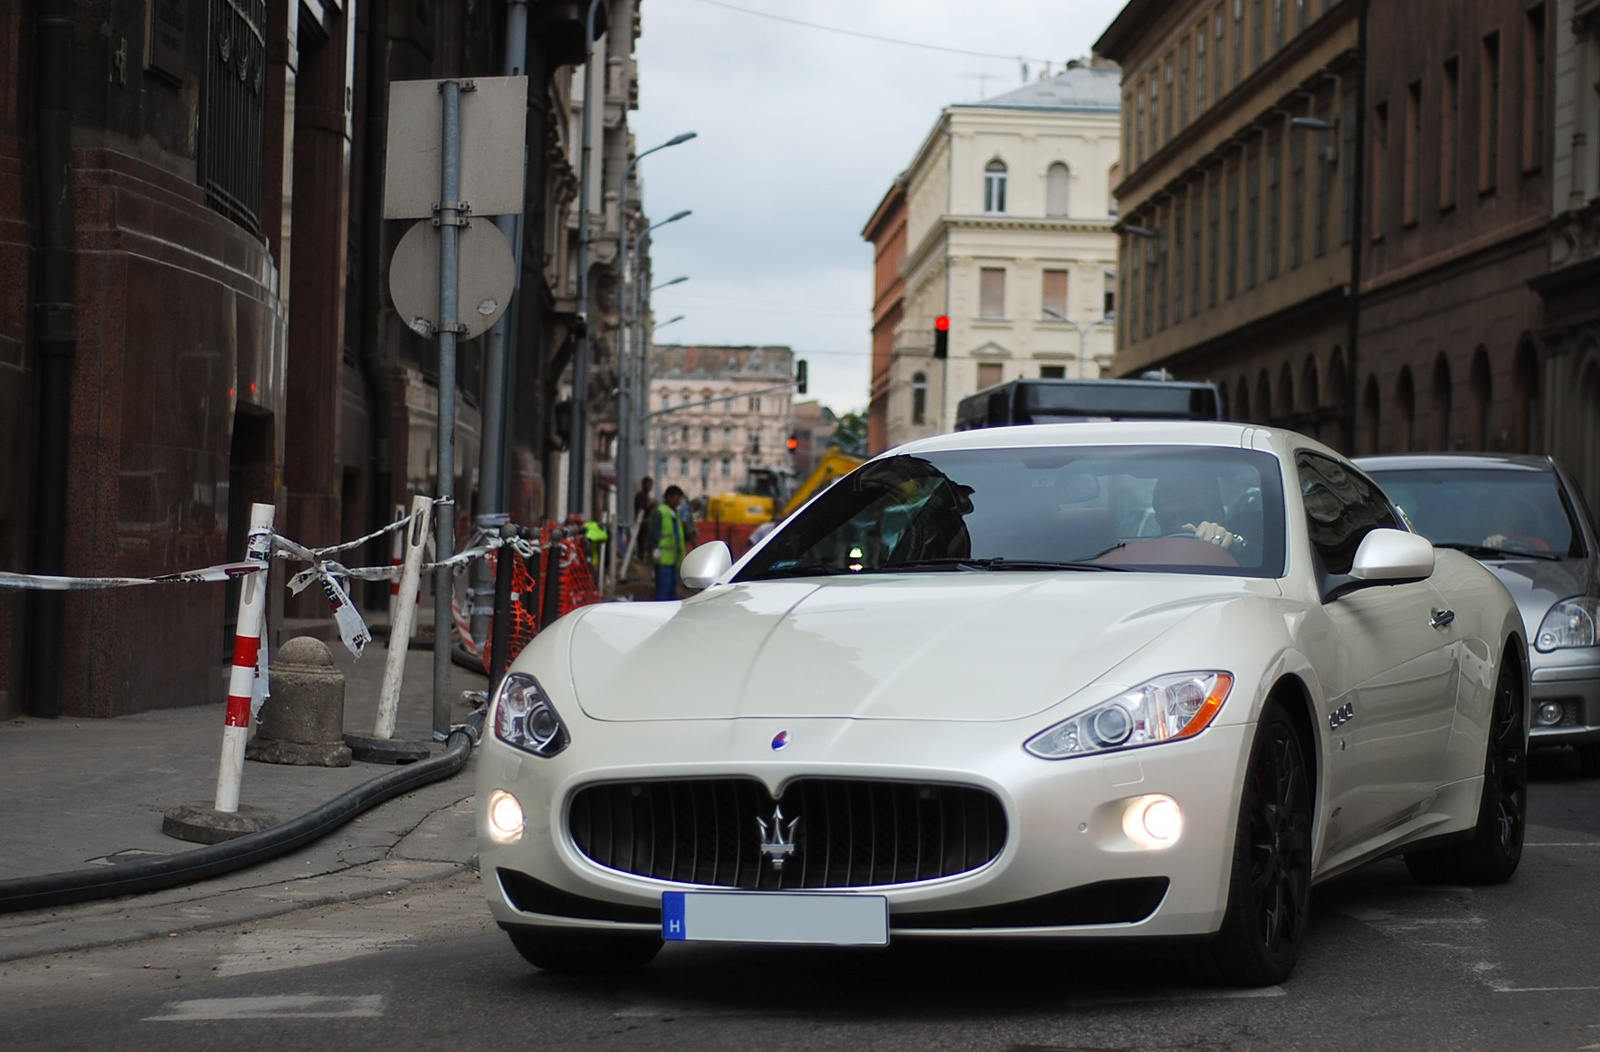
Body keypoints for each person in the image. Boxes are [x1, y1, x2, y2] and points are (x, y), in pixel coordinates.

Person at [1150, 472, 1244, 551]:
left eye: (1190, 516)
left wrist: (1232, 548)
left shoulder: (1240, 560)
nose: (1179, 527)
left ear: (1217, 516)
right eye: (1167, 520)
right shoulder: (1143, 558)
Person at [649, 485, 689, 600]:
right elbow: (654, 532)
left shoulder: (675, 513)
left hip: (674, 560)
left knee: (671, 591)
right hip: (663, 561)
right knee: (663, 591)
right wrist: (655, 549)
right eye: (676, 499)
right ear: (669, 498)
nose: (678, 502)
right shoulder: (661, 512)